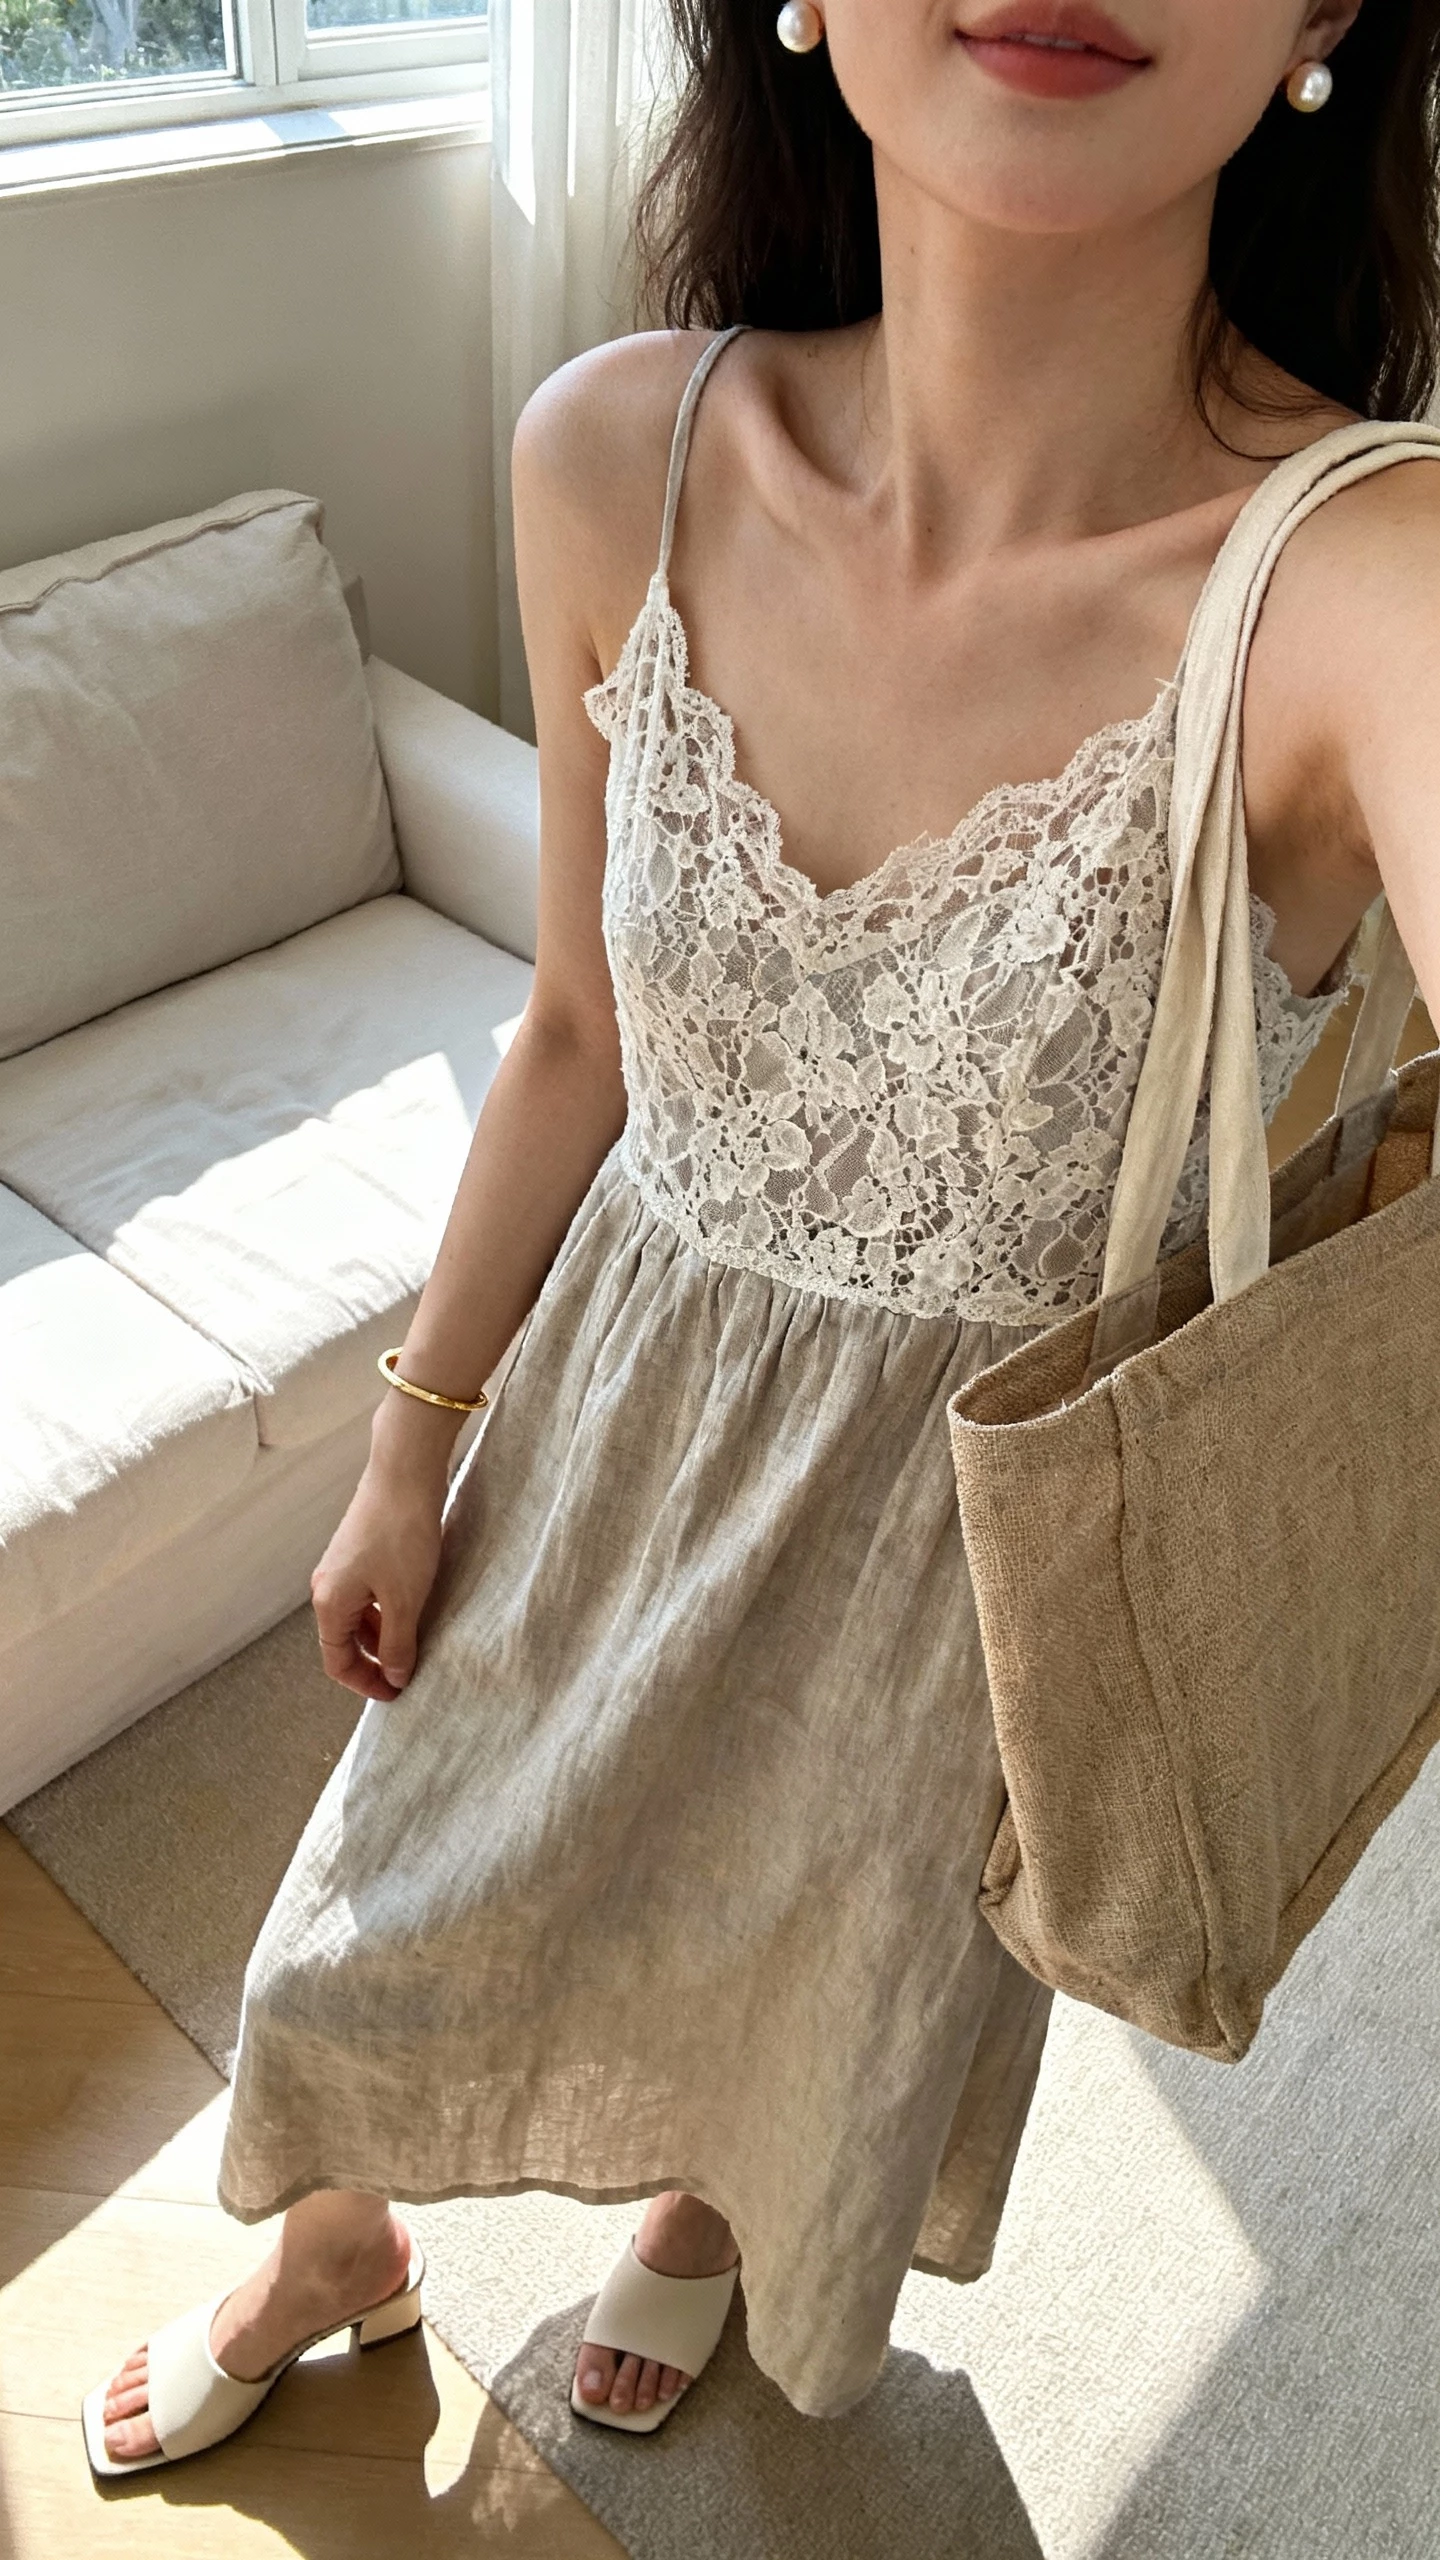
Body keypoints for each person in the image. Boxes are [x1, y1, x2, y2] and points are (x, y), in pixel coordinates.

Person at [88, 0, 1440, 2471]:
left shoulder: (1363, 583)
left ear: (1330, 17)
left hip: (953, 1581)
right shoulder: (616, 450)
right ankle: (331, 2237)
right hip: (602, 1434)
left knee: (784, 1977)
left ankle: (701, 2218)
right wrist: (412, 1444)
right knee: (377, 1918)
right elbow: (580, 1039)